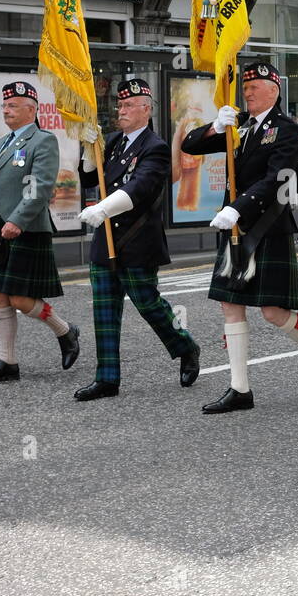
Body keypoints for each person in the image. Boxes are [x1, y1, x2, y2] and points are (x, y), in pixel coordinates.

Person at [180, 62, 298, 414]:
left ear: (274, 90)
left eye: (255, 86)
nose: (246, 92)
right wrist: (216, 126)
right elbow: (191, 146)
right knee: (230, 304)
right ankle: (240, 388)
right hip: (235, 225)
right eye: (245, 86)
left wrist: (238, 208)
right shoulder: (241, 127)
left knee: (273, 313)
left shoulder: (285, 130)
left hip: (266, 226)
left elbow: (277, 178)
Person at [74, 77, 200, 401]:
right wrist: (88, 151)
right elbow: (91, 177)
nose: (122, 109)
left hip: (136, 239)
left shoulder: (154, 147)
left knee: (149, 305)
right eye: (119, 104)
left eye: (129, 104)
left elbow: (139, 189)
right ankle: (107, 378)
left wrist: (102, 208)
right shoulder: (115, 141)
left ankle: (185, 346)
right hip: (106, 240)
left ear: (146, 108)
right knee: (104, 310)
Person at [0, 82, 80, 382]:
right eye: (5, 106)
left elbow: (40, 187)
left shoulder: (42, 140)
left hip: (25, 228)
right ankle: (7, 362)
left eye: (13, 105)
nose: (6, 110)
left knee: (20, 299)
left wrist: (17, 220)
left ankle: (65, 331)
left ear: (32, 109)